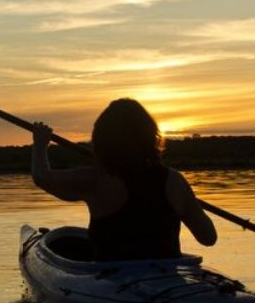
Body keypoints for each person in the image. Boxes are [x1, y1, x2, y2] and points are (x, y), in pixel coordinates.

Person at [30, 98, 217, 260]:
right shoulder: (174, 180)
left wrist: (39, 144)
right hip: (167, 278)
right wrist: (187, 203)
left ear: (101, 139)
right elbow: (208, 237)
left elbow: (42, 177)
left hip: (113, 283)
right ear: (151, 137)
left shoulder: (96, 179)